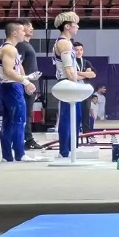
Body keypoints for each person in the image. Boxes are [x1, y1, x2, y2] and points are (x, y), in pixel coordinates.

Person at [0, 21, 36, 162]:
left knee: (8, 122)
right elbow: (8, 71)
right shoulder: (9, 49)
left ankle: (7, 156)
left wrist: (26, 78)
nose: (25, 33)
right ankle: (20, 154)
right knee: (19, 121)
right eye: (22, 31)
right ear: (14, 33)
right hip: (12, 87)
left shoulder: (9, 48)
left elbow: (14, 69)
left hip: (8, 87)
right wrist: (25, 82)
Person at [52, 11, 82, 159]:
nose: (78, 27)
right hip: (67, 82)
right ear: (67, 26)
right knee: (67, 118)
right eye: (76, 24)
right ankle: (64, 151)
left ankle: (70, 149)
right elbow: (68, 68)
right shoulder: (64, 43)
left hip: (68, 81)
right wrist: (75, 84)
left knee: (75, 117)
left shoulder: (67, 42)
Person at [17, 18, 42, 150]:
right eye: (28, 25)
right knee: (25, 114)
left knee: (27, 113)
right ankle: (27, 140)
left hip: (30, 85)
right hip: (25, 85)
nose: (31, 28)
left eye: (32, 26)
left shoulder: (27, 45)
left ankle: (26, 139)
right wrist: (25, 82)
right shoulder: (21, 45)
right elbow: (18, 64)